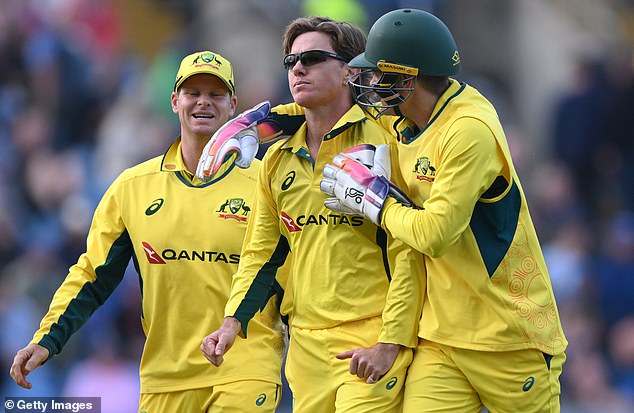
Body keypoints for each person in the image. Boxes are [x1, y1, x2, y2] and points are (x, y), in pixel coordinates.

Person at [320, 9, 568, 413]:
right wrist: (276, 121)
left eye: (378, 75)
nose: (369, 85)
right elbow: (333, 114)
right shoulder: (402, 118)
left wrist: (375, 201)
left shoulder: (468, 129)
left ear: (406, 80)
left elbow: (435, 234)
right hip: (441, 337)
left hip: (509, 336)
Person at [9, 50, 286, 413]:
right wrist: (48, 339)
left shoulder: (265, 183)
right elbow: (94, 274)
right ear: (175, 101)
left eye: (216, 94)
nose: (204, 101)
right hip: (165, 378)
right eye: (193, 92)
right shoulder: (133, 187)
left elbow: (294, 269)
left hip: (246, 368)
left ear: (233, 105)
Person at [200, 17, 424, 413]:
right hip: (304, 348)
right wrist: (232, 322)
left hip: (370, 337)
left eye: (314, 58)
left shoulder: (385, 142)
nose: (298, 69)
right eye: (290, 61)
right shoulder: (276, 159)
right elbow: (261, 254)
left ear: (350, 72)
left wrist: (390, 343)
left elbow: (409, 253)